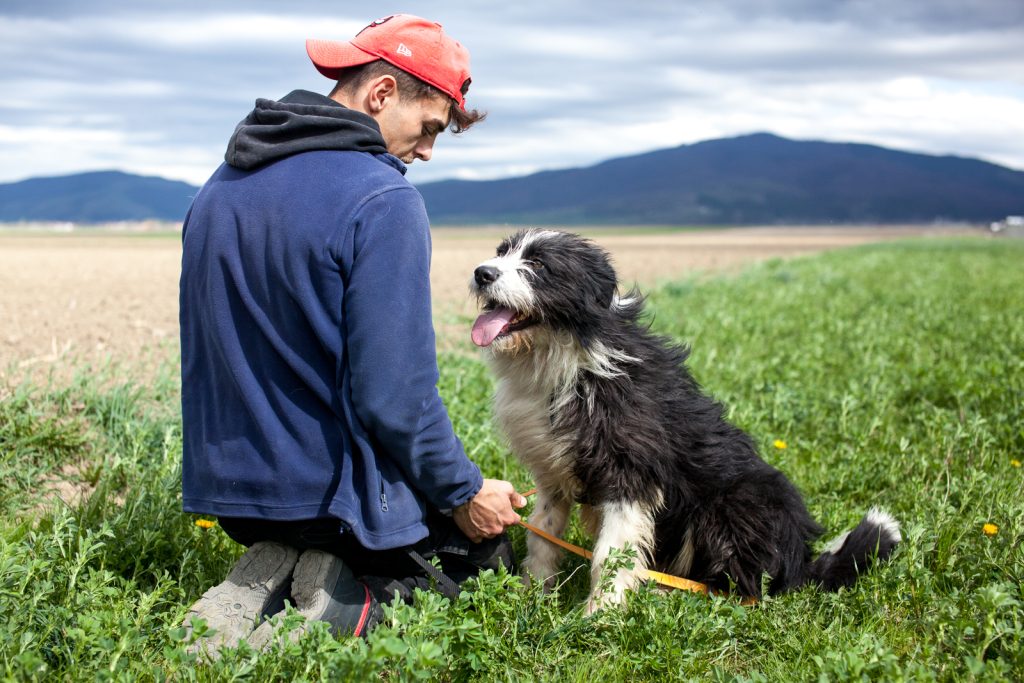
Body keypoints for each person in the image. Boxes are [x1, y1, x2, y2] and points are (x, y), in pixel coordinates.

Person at [178, 14, 525, 656]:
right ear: (383, 92)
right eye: (429, 129)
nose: (426, 152)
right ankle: (348, 604)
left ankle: (271, 573)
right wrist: (465, 493)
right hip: (325, 500)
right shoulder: (383, 199)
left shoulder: (218, 188)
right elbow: (394, 395)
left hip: (227, 494)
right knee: (485, 556)